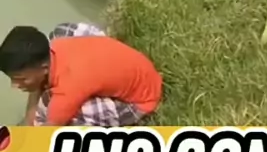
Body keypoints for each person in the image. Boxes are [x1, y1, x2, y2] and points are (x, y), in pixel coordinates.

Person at [0, 23, 163, 127]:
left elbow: (47, 132)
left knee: (59, 112)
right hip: (137, 69)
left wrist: (30, 123)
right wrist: (30, 112)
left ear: (44, 68)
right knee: (62, 31)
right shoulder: (57, 45)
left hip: (143, 100)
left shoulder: (66, 93)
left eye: (21, 79)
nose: (14, 85)